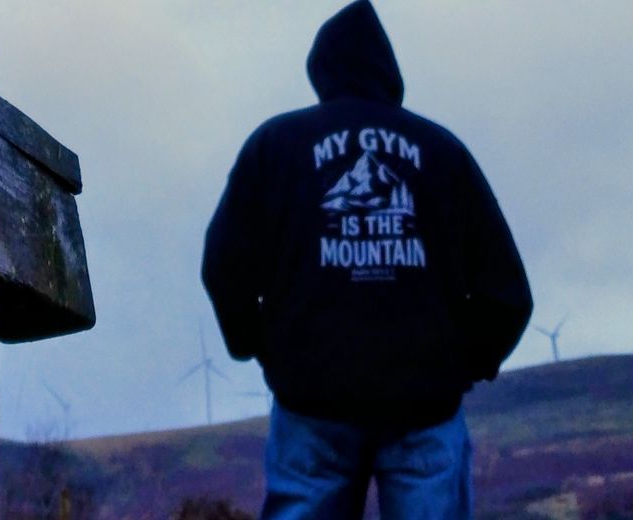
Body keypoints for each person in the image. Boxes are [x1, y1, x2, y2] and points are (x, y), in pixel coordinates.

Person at [200, 1, 533, 518]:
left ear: (320, 69)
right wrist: (460, 363)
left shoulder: (275, 145)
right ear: (390, 72)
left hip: (311, 402)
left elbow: (224, 265)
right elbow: (507, 292)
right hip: (425, 407)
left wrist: (255, 343)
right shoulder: (443, 151)